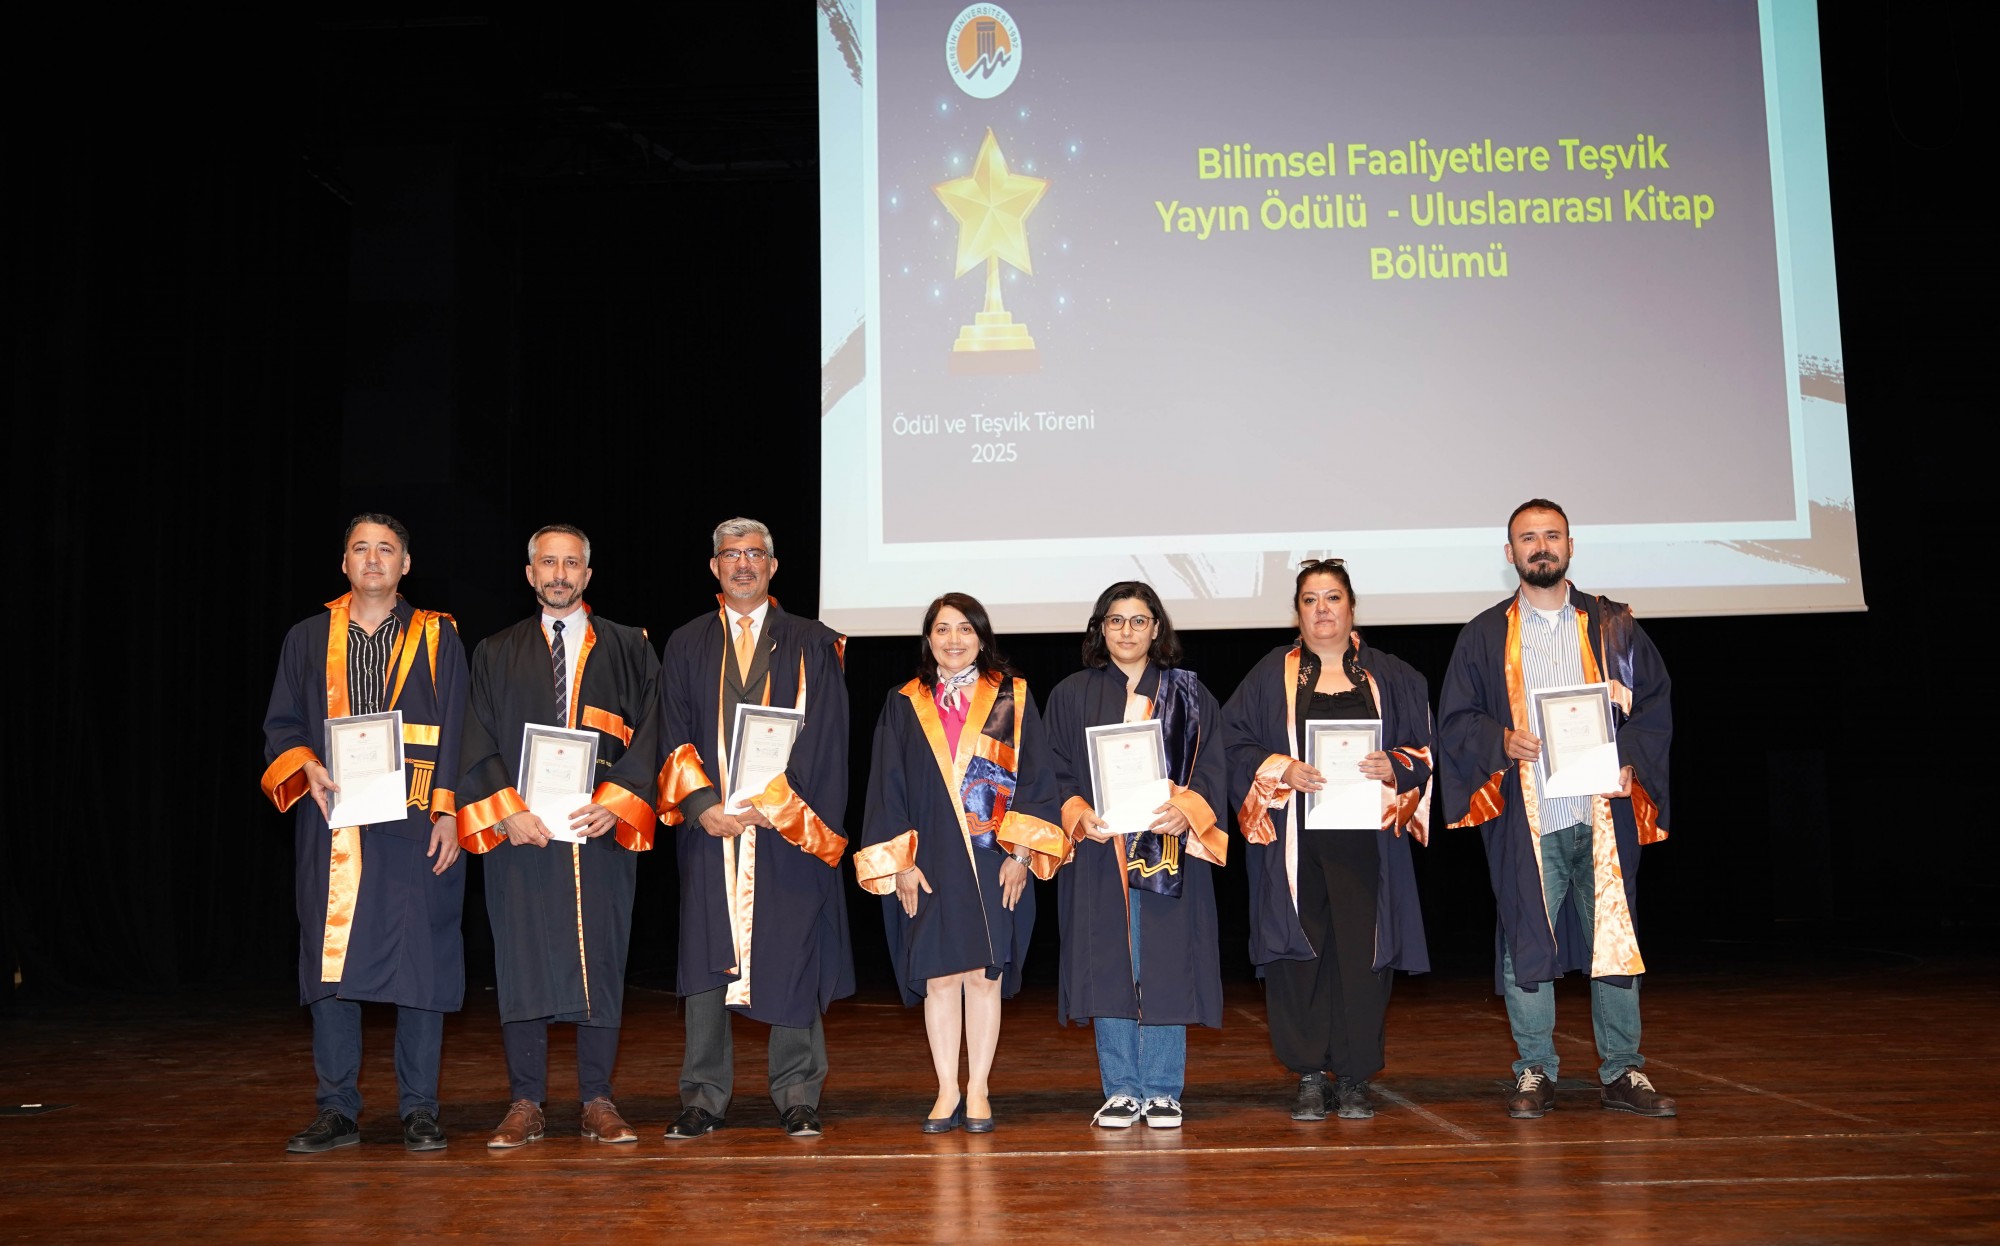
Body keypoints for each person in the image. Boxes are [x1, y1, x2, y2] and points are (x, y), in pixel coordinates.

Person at [1437, 499, 1676, 1118]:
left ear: (1570, 545)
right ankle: (1534, 1069)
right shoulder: (1485, 634)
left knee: (1614, 941)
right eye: (1528, 538)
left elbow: (1653, 704)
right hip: (1532, 816)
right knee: (1525, 941)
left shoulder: (1615, 627)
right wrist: (1501, 739)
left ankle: (1622, 1070)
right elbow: (1456, 719)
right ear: (1510, 552)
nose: (1540, 546)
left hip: (1601, 814)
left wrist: (1631, 763)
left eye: (1551, 535)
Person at [260, 513, 468, 1154]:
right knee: (332, 963)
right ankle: (336, 1110)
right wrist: (306, 766)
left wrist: (449, 812)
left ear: (406, 564)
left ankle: (420, 1109)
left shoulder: (438, 635)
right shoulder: (307, 637)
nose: (373, 559)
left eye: (386, 549)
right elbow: (282, 725)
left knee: (421, 962)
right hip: (334, 818)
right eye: (360, 548)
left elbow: (461, 727)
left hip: (416, 817)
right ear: (344, 562)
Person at [453, 524, 662, 1149]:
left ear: (588, 575)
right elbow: (474, 736)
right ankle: (525, 1102)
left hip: (598, 831)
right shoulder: (494, 651)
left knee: (601, 959)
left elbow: (656, 729)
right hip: (524, 833)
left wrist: (618, 803)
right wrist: (506, 811)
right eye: (548, 562)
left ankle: (597, 1099)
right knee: (521, 960)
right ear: (530, 573)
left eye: (571, 563)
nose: (560, 574)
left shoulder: (629, 646)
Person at [655, 518, 853, 1140]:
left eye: (754, 554)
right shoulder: (686, 643)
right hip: (712, 829)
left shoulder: (813, 642)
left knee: (792, 950)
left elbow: (827, 739)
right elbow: (671, 729)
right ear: (714, 566)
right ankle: (703, 1095)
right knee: (706, 954)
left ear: (773, 565)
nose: (743, 564)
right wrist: (701, 805)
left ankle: (797, 1092)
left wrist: (778, 806)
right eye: (731, 554)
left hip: (786, 826)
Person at [1221, 559, 1432, 1122]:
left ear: (1352, 606)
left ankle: (1355, 1076)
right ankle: (1310, 1075)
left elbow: (1428, 750)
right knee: (1299, 956)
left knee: (1364, 958)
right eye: (1310, 600)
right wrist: (1281, 768)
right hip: (1295, 842)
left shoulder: (1393, 676)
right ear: (1297, 612)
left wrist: (1396, 764)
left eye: (1332, 597)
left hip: (1368, 845)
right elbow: (1231, 744)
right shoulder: (1270, 675)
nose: (1322, 609)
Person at [855, 592, 1065, 1133]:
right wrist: (900, 863)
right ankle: (947, 1088)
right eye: (943, 629)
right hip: (929, 862)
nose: (954, 640)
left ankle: (979, 1089)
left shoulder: (1013, 696)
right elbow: (887, 788)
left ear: (981, 637)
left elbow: (1037, 779)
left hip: (995, 859)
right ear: (928, 639)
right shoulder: (904, 702)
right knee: (940, 978)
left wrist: (1022, 852)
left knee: (983, 976)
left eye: (965, 629)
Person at [1044, 582, 1229, 1129]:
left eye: (1138, 620)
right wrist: (1077, 812)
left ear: (1156, 628)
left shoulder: (1189, 693)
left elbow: (1214, 765)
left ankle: (1164, 1089)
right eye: (1116, 620)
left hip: (1166, 844)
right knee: (1109, 964)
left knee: (1166, 962)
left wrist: (1188, 809)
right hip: (1101, 848)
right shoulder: (1071, 694)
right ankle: (1122, 1087)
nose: (1127, 631)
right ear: (1101, 629)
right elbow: (1051, 769)